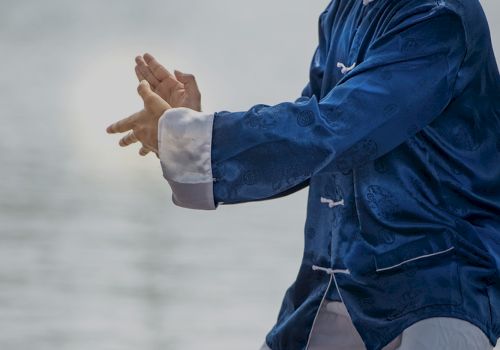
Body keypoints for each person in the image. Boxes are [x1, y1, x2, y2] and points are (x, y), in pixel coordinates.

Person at [106, 0, 500, 349]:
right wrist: (194, 126)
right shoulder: (344, 10)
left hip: (436, 292)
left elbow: (334, 129)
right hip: (329, 288)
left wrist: (197, 137)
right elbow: (311, 131)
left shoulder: (436, 15)